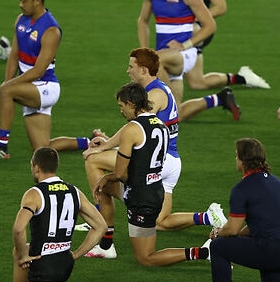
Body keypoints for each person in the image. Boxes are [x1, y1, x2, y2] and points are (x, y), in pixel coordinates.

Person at [79, 49, 227, 257]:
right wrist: (109, 143)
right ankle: (208, 218)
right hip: (171, 162)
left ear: (143, 70)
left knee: (93, 161)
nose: (128, 70)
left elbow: (139, 125)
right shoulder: (159, 89)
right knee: (159, 221)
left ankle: (105, 240)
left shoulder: (153, 95)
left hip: (158, 161)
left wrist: (104, 146)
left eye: (131, 66)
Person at [0, 147, 141, 282]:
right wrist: (76, 254)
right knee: (21, 250)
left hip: (44, 268)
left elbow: (18, 229)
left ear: (36, 168)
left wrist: (23, 256)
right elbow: (101, 226)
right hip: (64, 262)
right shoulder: (73, 191)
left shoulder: (34, 194)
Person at [86, 82, 210, 266]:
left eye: (122, 106)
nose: (121, 111)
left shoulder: (132, 129)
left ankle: (204, 252)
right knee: (104, 189)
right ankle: (105, 245)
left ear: (131, 104)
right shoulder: (161, 125)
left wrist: (106, 177)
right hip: (151, 190)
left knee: (146, 258)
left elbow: (120, 172)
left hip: (140, 200)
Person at [137, 0, 241, 122]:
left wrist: (185, 45)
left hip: (184, 55)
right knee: (175, 114)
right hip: (164, 55)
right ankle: (219, 99)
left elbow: (210, 25)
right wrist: (145, 50)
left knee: (155, 63)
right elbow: (142, 21)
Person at [0, 0, 62, 160]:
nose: (20, 4)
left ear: (37, 1)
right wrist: (8, 82)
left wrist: (8, 87)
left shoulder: (51, 30)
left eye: (24, 0)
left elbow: (39, 71)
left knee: (6, 91)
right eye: (19, 0)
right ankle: (90, 141)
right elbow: (14, 55)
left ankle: (2, 147)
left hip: (45, 87)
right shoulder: (20, 21)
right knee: (43, 148)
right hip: (29, 86)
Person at [199, 138, 280, 282]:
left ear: (243, 161)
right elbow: (260, 224)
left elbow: (233, 229)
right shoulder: (276, 182)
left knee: (218, 247)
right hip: (274, 249)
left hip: (268, 249)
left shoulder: (242, 189)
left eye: (236, 156)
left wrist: (219, 233)